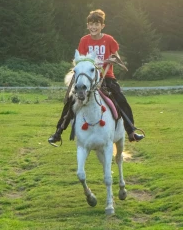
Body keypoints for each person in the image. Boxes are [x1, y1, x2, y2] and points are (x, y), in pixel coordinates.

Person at [48, 9, 145, 146]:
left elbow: (117, 57)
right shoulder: (84, 41)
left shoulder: (109, 40)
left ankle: (131, 131)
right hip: (88, 78)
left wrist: (112, 60)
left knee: (121, 100)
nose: (94, 27)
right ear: (87, 26)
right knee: (70, 101)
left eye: (97, 24)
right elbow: (80, 60)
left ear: (102, 26)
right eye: (91, 24)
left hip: (107, 78)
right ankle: (58, 132)